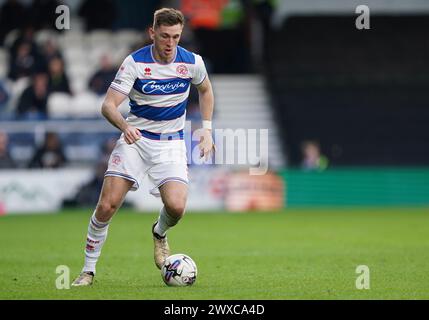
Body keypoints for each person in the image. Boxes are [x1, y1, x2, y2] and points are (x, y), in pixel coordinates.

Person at [71, 8, 215, 286]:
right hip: (135, 141)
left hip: (171, 144)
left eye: (176, 36)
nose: (170, 43)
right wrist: (125, 127)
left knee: (176, 206)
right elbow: (108, 105)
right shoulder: (135, 63)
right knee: (107, 206)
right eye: (164, 36)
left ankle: (159, 233)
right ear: (152, 33)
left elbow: (206, 90)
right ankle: (88, 270)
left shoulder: (192, 62)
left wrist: (207, 131)